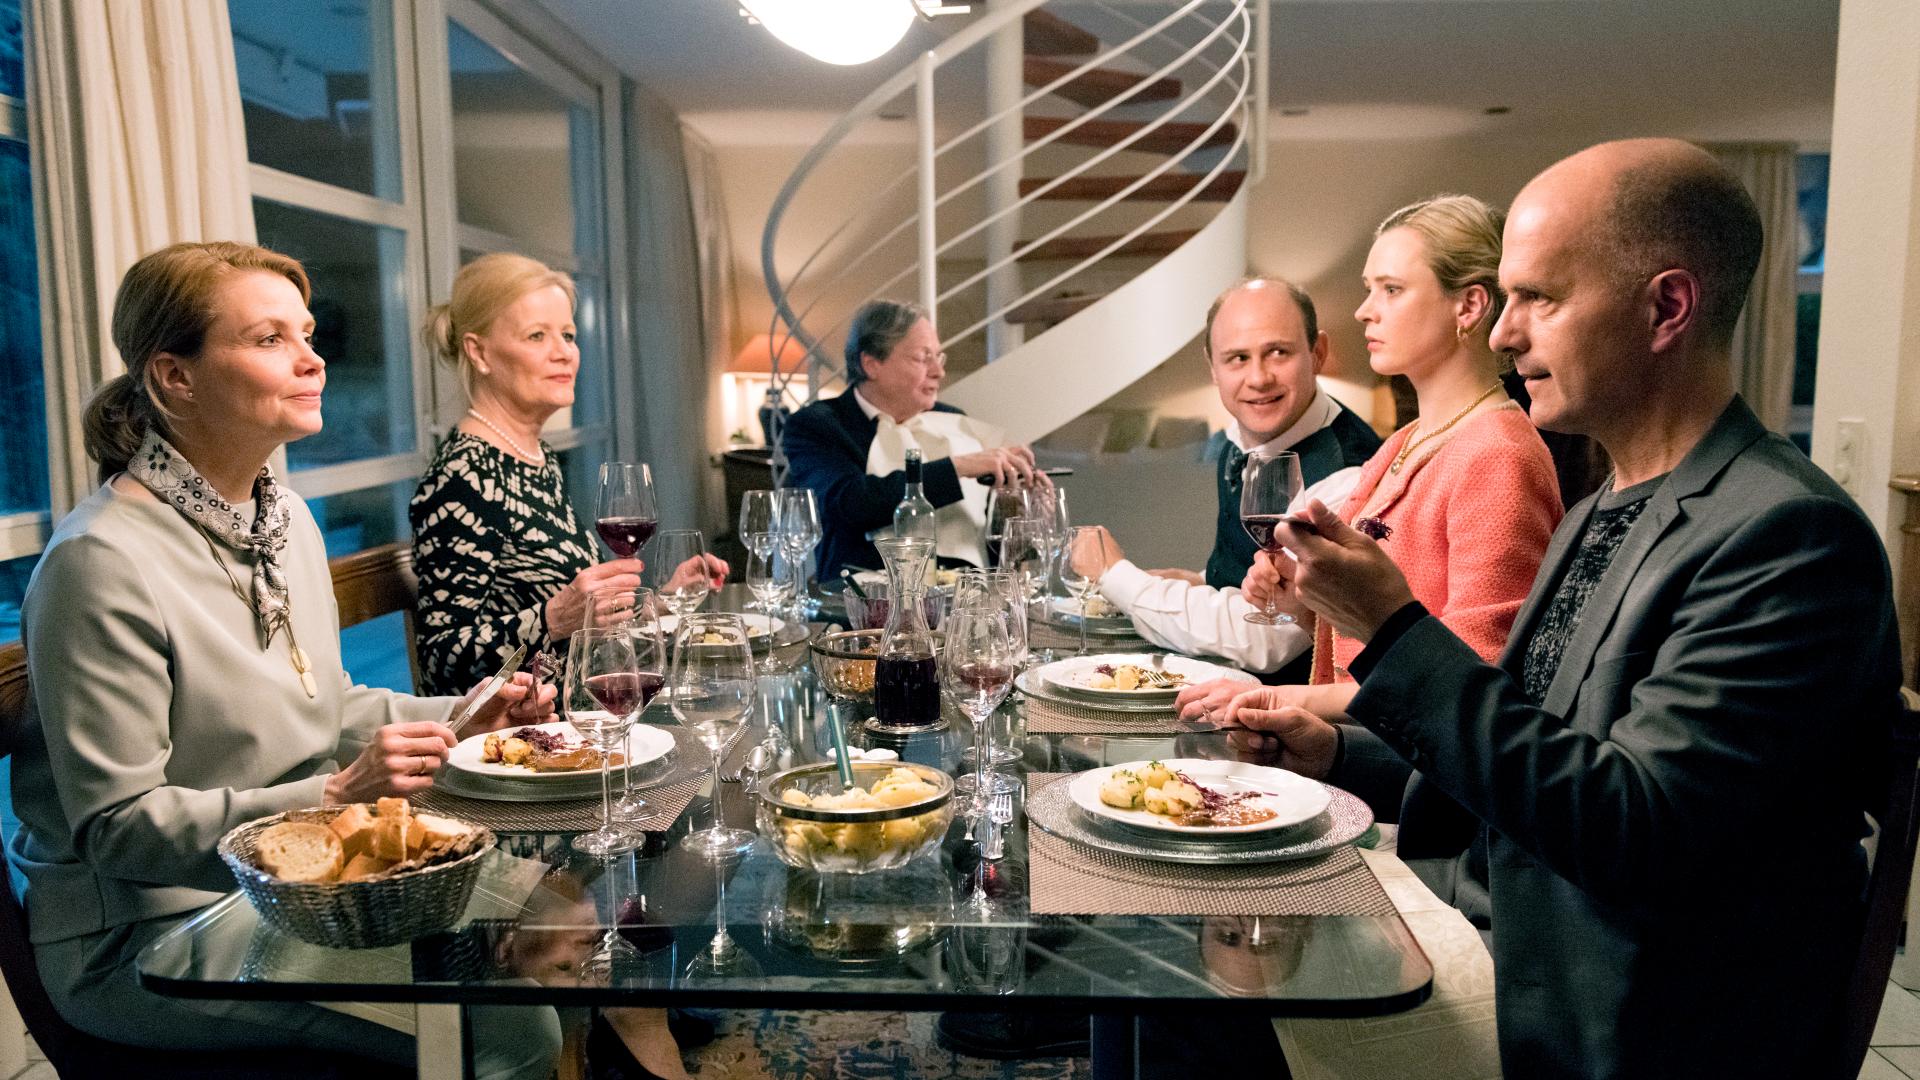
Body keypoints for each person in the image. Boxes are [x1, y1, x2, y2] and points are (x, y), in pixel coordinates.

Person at [1214, 140, 1900, 1079]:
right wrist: (1334, 750)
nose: (1502, 334)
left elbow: (1630, 831)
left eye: (1538, 298)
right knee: (1194, 917)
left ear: (1666, 308)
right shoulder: (1598, 508)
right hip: (1504, 920)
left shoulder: (1791, 537)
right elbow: (1529, 750)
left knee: (1215, 1009)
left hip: (1611, 1011)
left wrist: (1395, 631)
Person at [9, 242, 560, 1077]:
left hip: (299, 885)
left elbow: (325, 704)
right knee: (510, 1025)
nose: (312, 359)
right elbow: (117, 829)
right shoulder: (101, 560)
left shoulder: (285, 520)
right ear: (175, 376)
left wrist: (470, 716)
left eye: (306, 334)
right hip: (149, 935)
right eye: (270, 339)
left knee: (541, 921)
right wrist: (335, 796)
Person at [1174, 196, 1562, 718]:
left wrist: (1286, 699)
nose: (1364, 310)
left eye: (1391, 289)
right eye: (1368, 289)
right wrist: (1304, 606)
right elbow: (1378, 646)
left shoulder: (1498, 456)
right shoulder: (1404, 443)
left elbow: (1471, 686)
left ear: (1468, 306)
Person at [410, 253, 723, 697]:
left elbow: (581, 632)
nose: (564, 353)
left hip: (578, 709)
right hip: (524, 732)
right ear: (479, 352)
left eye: (568, 335)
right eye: (537, 335)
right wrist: (554, 618)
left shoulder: (538, 458)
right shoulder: (463, 477)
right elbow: (440, 661)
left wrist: (666, 599)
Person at [1066, 277, 1381, 679]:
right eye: (1237, 358)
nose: (1258, 378)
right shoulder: (1243, 434)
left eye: (1278, 352)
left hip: (1289, 704)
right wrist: (1202, 581)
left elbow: (1268, 639)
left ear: (1317, 353)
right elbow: (1247, 572)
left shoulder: (1349, 475)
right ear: (1213, 368)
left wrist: (1115, 574)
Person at [781, 300, 1045, 577]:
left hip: (963, 592)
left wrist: (1018, 506)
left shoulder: (953, 421)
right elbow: (850, 503)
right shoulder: (818, 424)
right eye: (923, 358)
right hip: (865, 594)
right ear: (871, 364)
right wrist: (958, 466)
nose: (938, 372)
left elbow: (985, 537)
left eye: (939, 358)